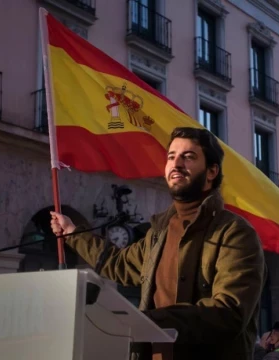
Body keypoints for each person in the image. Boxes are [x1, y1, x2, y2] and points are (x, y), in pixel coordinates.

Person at [51, 127, 266, 360]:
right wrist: (73, 232)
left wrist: (152, 320)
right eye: (171, 157)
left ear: (212, 171)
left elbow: (229, 313)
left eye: (189, 157)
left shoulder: (235, 233)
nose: (177, 164)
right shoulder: (159, 232)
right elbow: (119, 264)